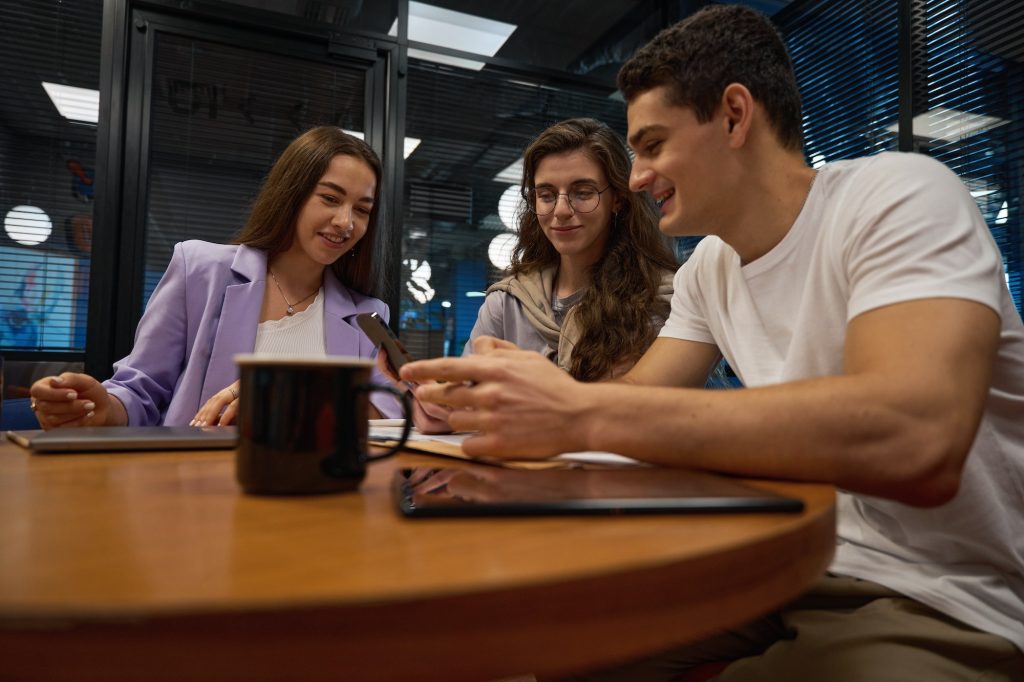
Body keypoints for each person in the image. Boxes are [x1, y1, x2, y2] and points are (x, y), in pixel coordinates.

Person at [400, 5, 1024, 681]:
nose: (636, 178)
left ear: (733, 115)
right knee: (532, 638)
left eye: (651, 145)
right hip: (782, 557)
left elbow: (917, 437)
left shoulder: (899, 195)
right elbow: (632, 405)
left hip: (944, 595)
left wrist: (575, 411)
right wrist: (500, 406)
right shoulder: (709, 269)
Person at [30, 126, 401, 428]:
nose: (346, 222)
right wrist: (96, 410)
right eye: (331, 199)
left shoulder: (369, 315)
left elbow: (398, 406)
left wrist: (285, 396)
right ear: (293, 195)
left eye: (362, 209)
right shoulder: (199, 268)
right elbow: (142, 390)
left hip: (317, 491)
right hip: (194, 489)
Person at [388, 117, 678, 432]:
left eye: (583, 192)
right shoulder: (507, 301)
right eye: (547, 194)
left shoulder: (657, 298)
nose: (562, 210)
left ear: (618, 199)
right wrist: (440, 408)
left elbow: (650, 418)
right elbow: (466, 397)